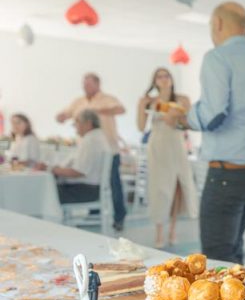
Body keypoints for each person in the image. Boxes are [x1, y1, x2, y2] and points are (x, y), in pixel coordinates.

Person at [170, 2, 245, 265]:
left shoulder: (217, 57)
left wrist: (182, 120)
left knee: (217, 257)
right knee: (233, 250)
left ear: (218, 24)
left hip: (228, 175)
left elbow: (213, 114)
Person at [56, 73, 127, 231]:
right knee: (93, 180)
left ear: (97, 84)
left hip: (108, 148)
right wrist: (61, 116)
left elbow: (120, 109)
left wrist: (95, 110)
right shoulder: (78, 102)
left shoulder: (107, 98)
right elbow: (65, 114)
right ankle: (94, 212)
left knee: (113, 185)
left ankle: (119, 218)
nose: (85, 87)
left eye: (88, 84)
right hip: (88, 148)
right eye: (84, 84)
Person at [137, 67, 199, 248]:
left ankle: (172, 230)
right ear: (154, 81)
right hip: (157, 146)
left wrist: (174, 118)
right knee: (159, 188)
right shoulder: (149, 102)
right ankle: (159, 232)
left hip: (177, 145)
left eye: (166, 76)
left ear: (171, 79)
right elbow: (141, 127)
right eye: (159, 77)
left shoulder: (182, 99)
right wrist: (142, 106)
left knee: (178, 187)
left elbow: (189, 124)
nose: (163, 79)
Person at [37, 109, 111, 204]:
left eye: (76, 122)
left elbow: (79, 172)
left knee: (39, 191)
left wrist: (50, 168)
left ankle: (38, 218)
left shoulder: (90, 140)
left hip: (84, 191)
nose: (74, 126)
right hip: (90, 189)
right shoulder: (98, 137)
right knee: (44, 188)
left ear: (88, 124)